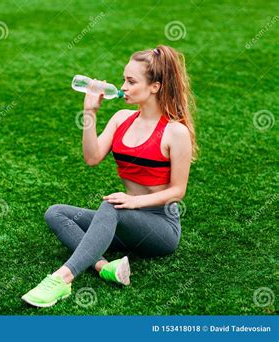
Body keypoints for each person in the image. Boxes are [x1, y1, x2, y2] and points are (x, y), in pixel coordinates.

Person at [21, 45, 198, 308]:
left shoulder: (175, 132)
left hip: (161, 228)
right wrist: (90, 112)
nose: (122, 87)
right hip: (126, 220)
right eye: (123, 79)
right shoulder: (121, 119)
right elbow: (92, 158)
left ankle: (61, 279)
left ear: (155, 87)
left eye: (130, 81)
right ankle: (105, 267)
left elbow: (178, 191)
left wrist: (134, 202)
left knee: (111, 205)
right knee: (56, 213)